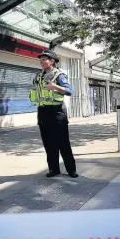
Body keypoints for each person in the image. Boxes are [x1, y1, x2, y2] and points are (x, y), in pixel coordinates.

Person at [30, 49, 78, 178]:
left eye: (44, 59)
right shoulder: (38, 76)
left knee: (63, 143)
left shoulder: (59, 75)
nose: (41, 61)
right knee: (48, 143)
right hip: (43, 112)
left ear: (52, 61)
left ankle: (71, 170)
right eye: (40, 59)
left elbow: (69, 91)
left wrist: (55, 87)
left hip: (57, 112)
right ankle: (54, 169)